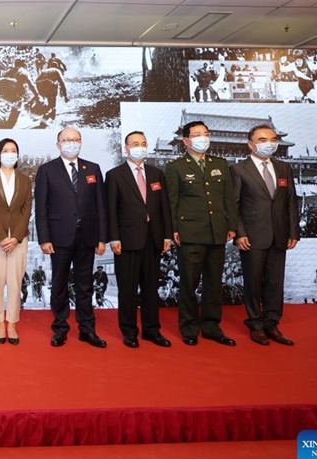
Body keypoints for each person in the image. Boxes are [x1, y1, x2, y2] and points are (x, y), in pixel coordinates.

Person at [165, 120, 238, 346]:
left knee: (214, 283)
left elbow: (228, 199)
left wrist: (232, 226)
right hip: (190, 233)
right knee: (189, 282)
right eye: (197, 134)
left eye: (206, 133)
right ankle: (188, 327)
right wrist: (174, 230)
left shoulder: (220, 164)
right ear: (186, 140)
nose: (203, 138)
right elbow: (172, 203)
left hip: (217, 232)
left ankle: (211, 326)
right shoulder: (176, 167)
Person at [35, 127, 108, 347]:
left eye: (75, 139)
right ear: (58, 144)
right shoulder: (47, 170)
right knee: (59, 284)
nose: (71, 143)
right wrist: (44, 238)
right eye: (67, 140)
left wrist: (102, 238)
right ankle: (60, 328)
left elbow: (101, 207)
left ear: (81, 142)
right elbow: (41, 208)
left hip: (87, 237)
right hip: (59, 237)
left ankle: (87, 329)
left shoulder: (93, 168)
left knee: (85, 285)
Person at [231, 125, 299, 346]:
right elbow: (234, 205)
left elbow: (290, 201)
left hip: (279, 235)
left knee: (275, 282)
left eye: (272, 139)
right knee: (253, 282)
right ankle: (256, 323)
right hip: (252, 236)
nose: (268, 143)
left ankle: (272, 323)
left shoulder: (283, 168)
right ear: (251, 144)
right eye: (262, 139)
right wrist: (239, 233)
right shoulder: (239, 169)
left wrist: (293, 231)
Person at [106, 131, 173, 348]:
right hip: (126, 240)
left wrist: (166, 235)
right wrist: (113, 237)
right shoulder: (115, 175)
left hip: (153, 239)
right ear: (126, 149)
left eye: (143, 143)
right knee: (128, 289)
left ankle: (152, 330)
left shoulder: (156, 174)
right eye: (135, 144)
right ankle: (129, 331)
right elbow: (111, 210)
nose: (140, 147)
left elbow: (165, 208)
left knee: (150, 288)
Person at [0, 138, 32, 345]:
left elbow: (26, 210)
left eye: (13, 150)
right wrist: (2, 237)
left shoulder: (25, 180)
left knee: (15, 282)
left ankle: (12, 323)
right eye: (5, 150)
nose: (10, 154)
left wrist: (16, 237)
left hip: (19, 239)